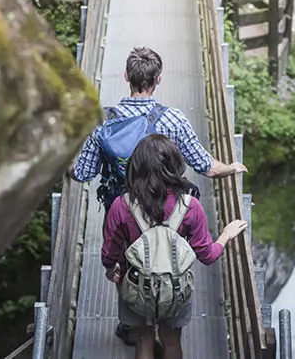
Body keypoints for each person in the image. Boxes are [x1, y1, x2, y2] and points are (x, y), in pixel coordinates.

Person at [70, 46, 247, 344]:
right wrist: (230, 167)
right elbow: (206, 166)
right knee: (171, 258)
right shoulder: (173, 120)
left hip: (122, 209)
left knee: (125, 263)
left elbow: (84, 173)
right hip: (169, 211)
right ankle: (168, 312)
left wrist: (65, 164)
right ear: (159, 79)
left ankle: (133, 323)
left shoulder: (104, 123)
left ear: (126, 76)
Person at [102, 135, 248, 359]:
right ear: (175, 166)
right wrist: (225, 236)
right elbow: (207, 256)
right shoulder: (191, 207)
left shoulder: (121, 206)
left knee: (143, 341)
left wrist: (113, 269)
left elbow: (108, 256)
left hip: (135, 284)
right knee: (171, 343)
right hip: (175, 286)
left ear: (136, 167)